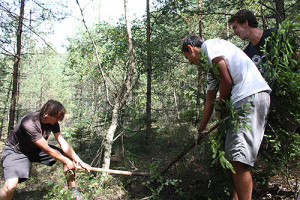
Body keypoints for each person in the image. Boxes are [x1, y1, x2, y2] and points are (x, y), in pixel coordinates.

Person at [182, 36, 271, 200]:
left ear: (191, 48)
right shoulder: (210, 70)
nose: (191, 64)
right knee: (231, 159)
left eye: (189, 58)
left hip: (249, 98)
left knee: (238, 160)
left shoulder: (210, 46)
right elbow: (209, 102)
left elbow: (227, 81)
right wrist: (200, 131)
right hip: (242, 102)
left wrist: (221, 106)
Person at [0, 100, 91, 200]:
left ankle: (73, 192)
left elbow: (63, 143)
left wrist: (80, 162)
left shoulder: (53, 122)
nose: (59, 120)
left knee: (66, 155)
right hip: (16, 152)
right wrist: (67, 161)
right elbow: (47, 149)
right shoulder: (29, 123)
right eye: (57, 117)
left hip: (36, 149)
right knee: (10, 187)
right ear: (47, 114)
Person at [228, 9, 276, 77]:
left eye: (235, 27)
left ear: (245, 23)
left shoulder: (274, 35)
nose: (235, 33)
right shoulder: (247, 53)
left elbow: (294, 55)